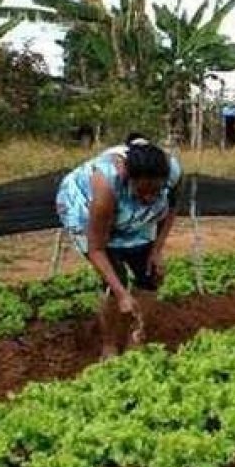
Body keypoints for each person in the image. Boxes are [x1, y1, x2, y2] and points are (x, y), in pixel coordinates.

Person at [55, 133, 182, 358]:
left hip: (127, 210)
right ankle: (109, 344)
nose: (149, 198)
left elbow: (171, 210)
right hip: (84, 207)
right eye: (142, 191)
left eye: (156, 192)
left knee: (150, 275)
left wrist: (156, 251)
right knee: (115, 280)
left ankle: (136, 337)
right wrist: (122, 294)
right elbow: (96, 248)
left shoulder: (172, 174)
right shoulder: (107, 184)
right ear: (128, 178)